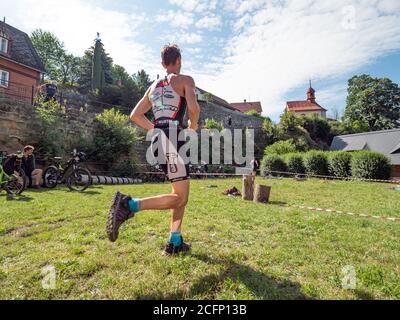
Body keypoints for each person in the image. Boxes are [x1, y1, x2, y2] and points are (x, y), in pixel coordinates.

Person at [107, 44, 200, 256]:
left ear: (162, 63)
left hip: (159, 139)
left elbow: (135, 115)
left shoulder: (153, 87)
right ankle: (129, 205)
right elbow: (194, 109)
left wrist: (157, 129)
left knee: (180, 192)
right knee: (181, 198)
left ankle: (174, 241)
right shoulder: (185, 80)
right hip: (174, 137)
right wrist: (192, 127)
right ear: (178, 60)